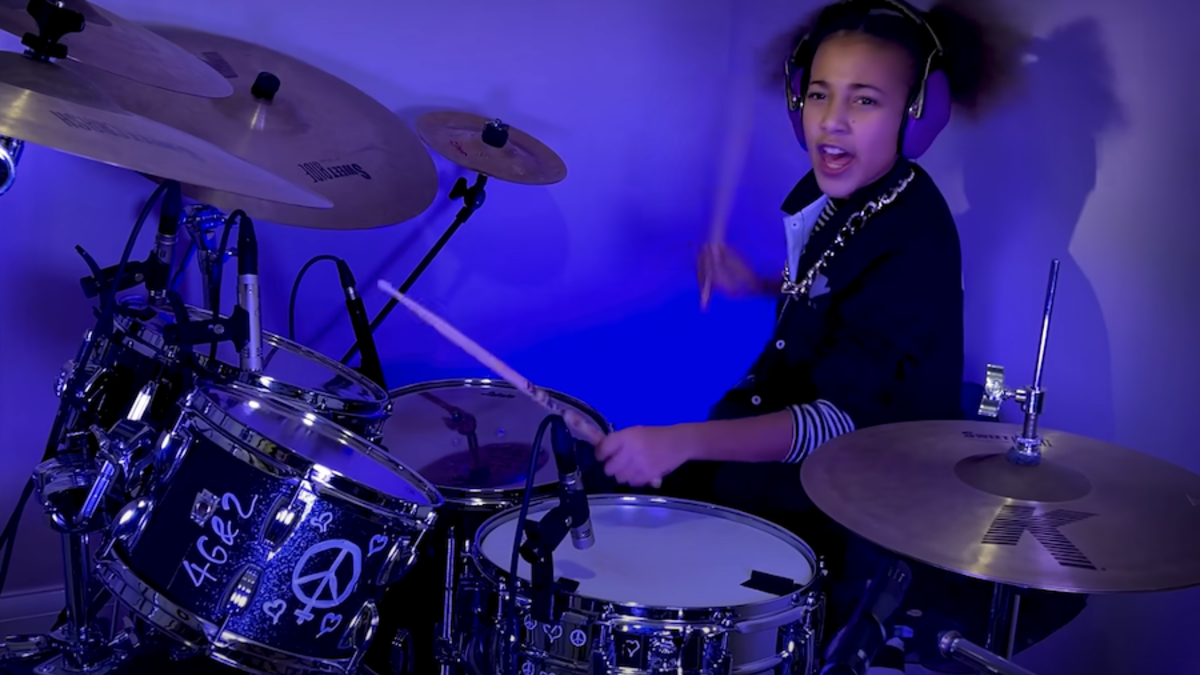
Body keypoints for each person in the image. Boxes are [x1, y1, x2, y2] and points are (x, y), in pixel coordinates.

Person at [591, 0, 1061, 654]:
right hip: (794, 468)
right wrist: (763, 283)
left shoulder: (914, 239)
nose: (831, 120)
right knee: (594, 492)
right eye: (818, 93)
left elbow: (837, 424)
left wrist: (681, 441)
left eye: (864, 100)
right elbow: (844, 295)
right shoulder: (845, 193)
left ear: (917, 115)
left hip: (846, 508)